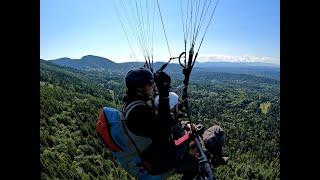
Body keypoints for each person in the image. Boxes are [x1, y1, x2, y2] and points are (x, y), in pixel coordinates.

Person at [122, 67, 175, 176]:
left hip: (147, 152)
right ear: (140, 88)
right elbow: (164, 133)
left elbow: (153, 126)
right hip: (156, 161)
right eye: (150, 83)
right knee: (193, 157)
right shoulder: (139, 112)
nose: (153, 86)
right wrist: (164, 95)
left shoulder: (131, 103)